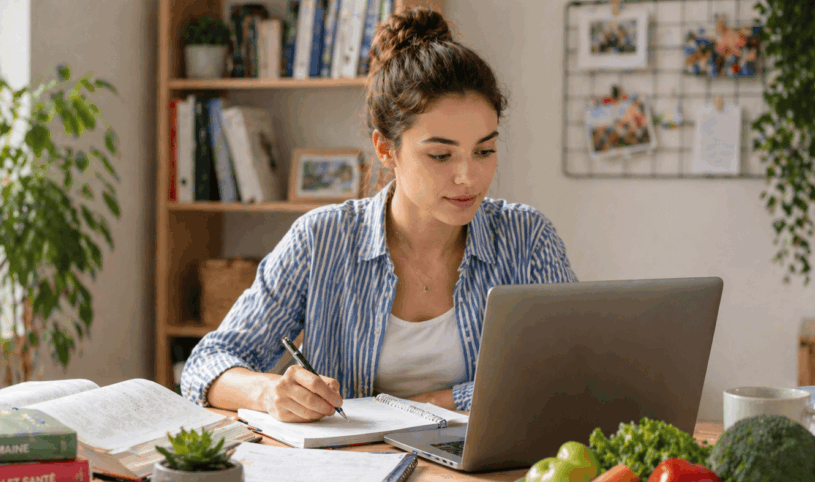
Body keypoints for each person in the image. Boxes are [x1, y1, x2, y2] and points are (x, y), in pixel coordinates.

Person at [181, 7, 577, 422]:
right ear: (386, 150)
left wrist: (433, 404)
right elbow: (206, 364)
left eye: (484, 151)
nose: (468, 177)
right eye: (441, 155)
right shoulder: (321, 239)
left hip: (481, 478)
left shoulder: (528, 237)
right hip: (349, 474)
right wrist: (268, 392)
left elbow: (571, 371)